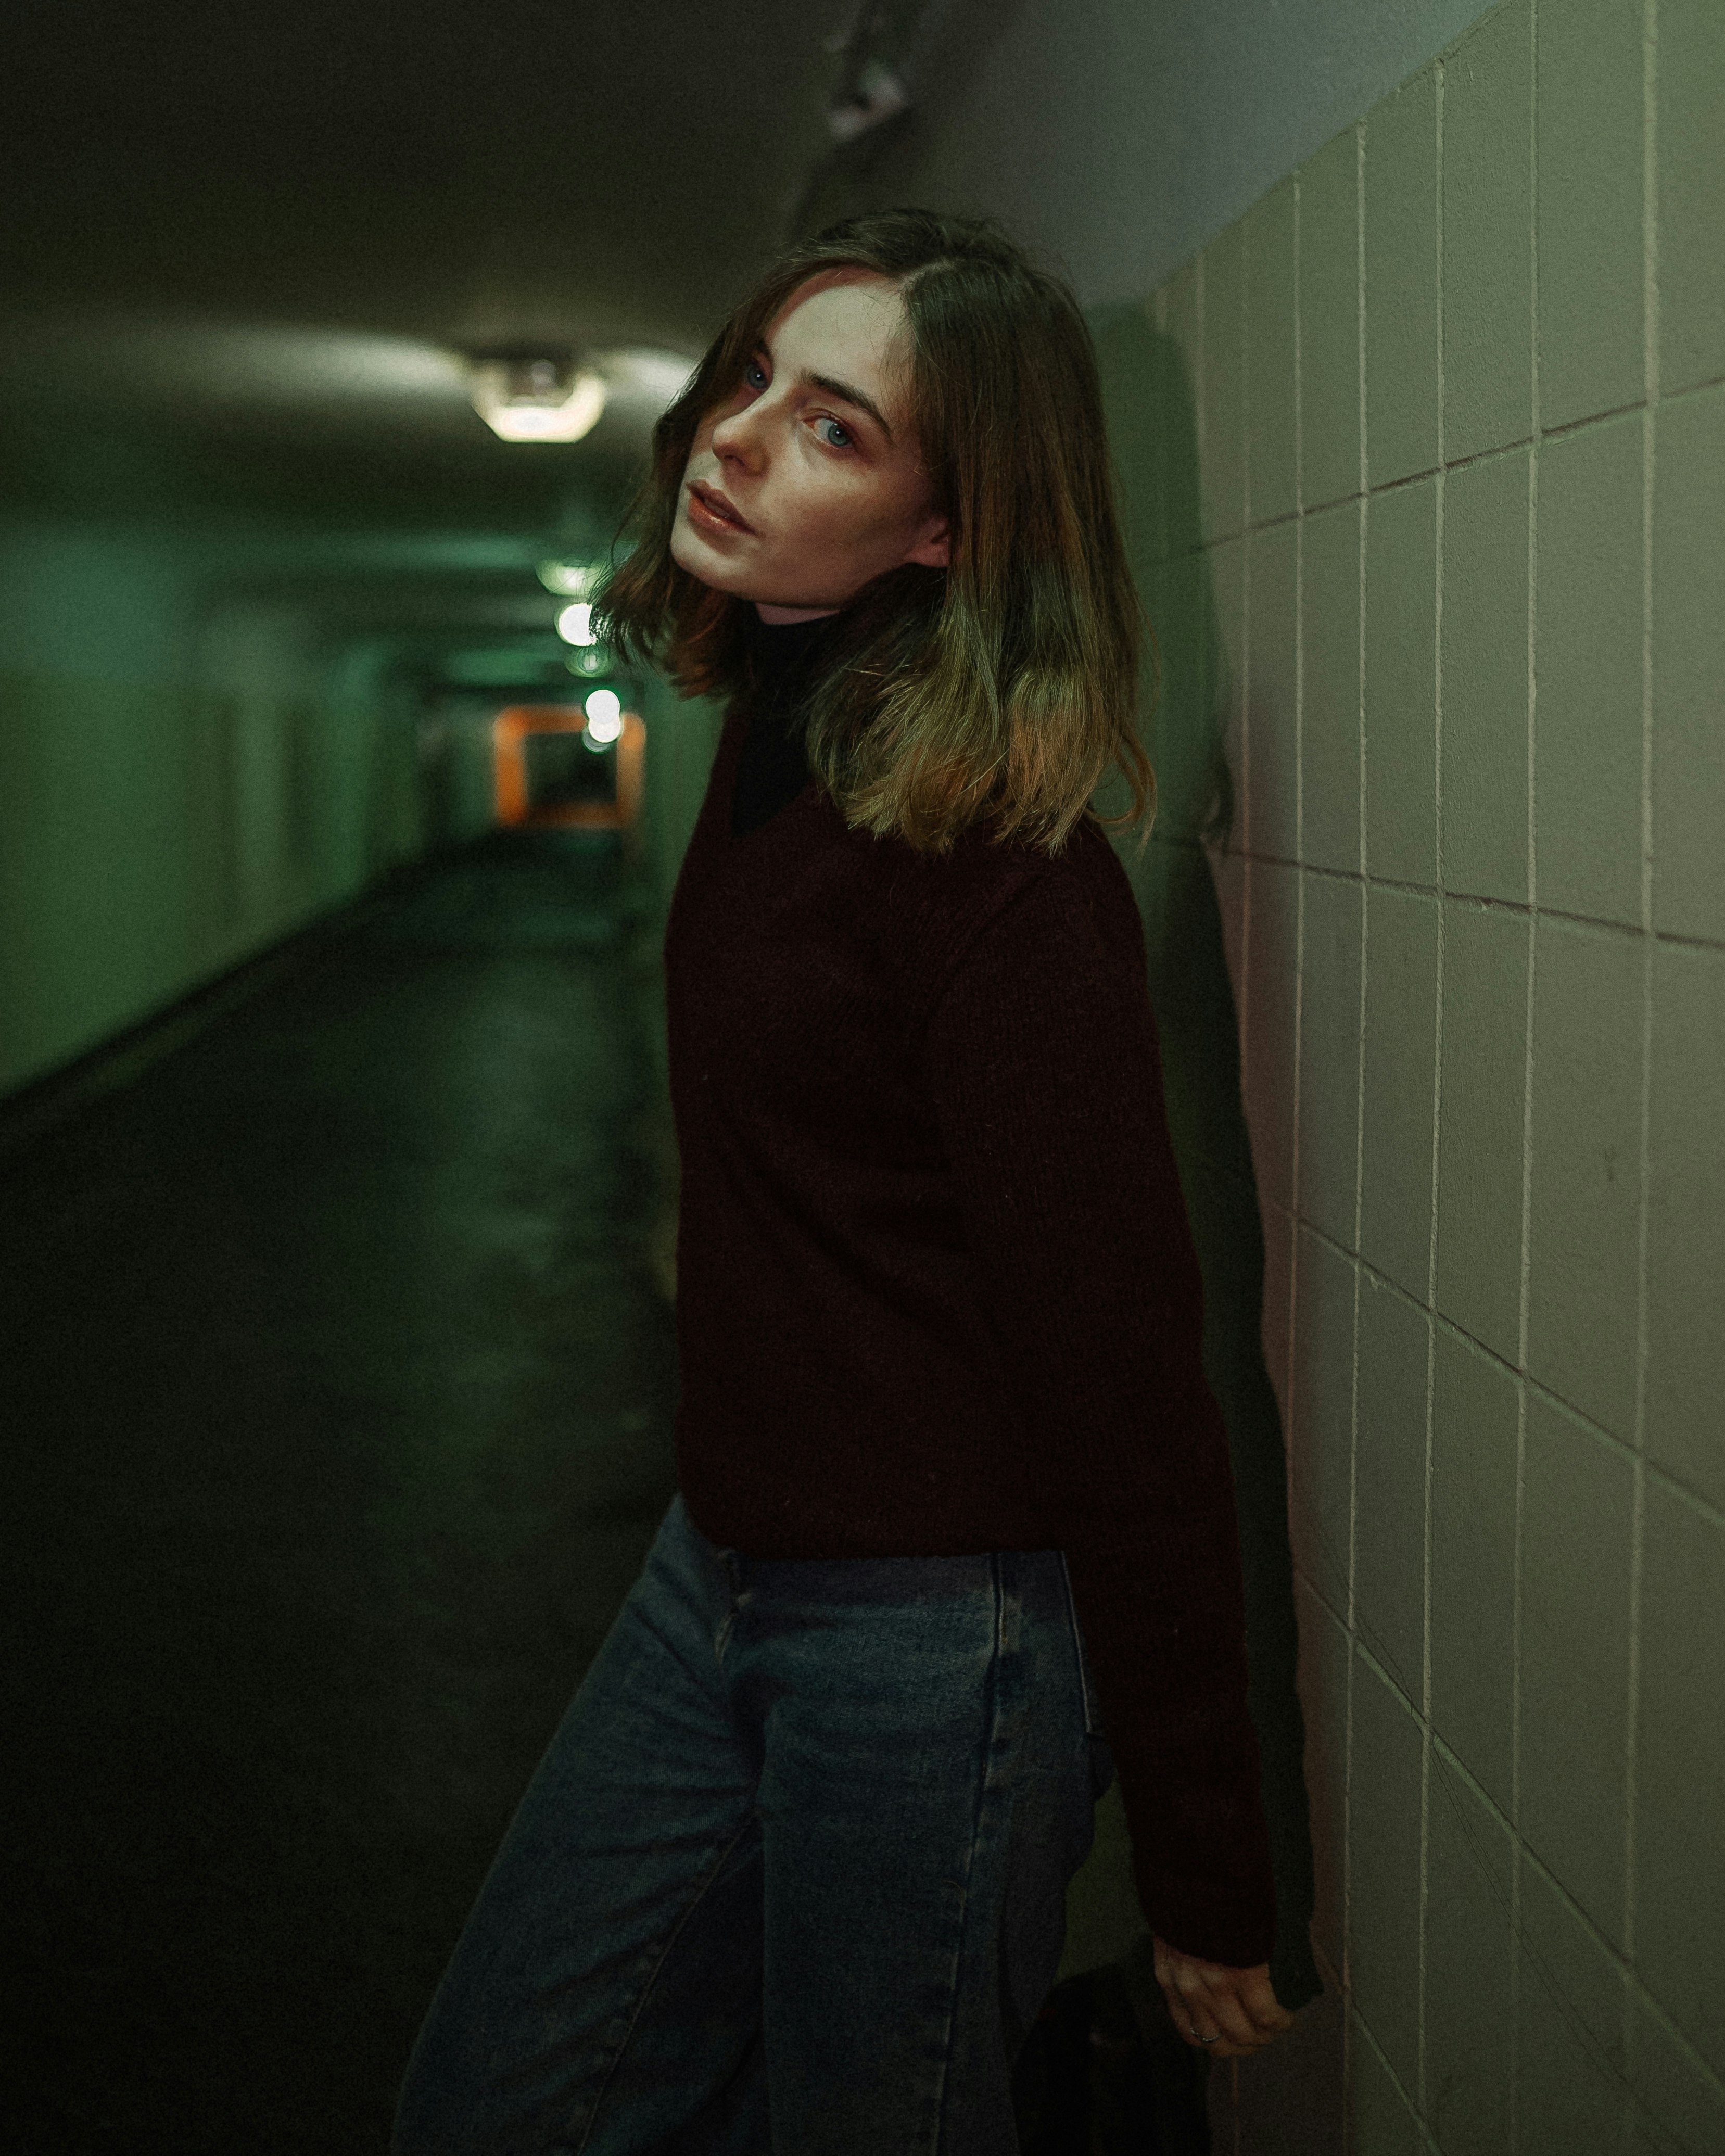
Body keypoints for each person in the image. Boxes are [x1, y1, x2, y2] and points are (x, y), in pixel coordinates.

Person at [393, 207, 1296, 2156]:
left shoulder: (997, 882)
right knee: (499, 2102)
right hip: (715, 1573)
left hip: (927, 1636)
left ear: (947, 532)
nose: (731, 437)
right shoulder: (775, 745)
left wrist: (1208, 1864)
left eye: (833, 430)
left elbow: (1128, 1377)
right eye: (748, 384)